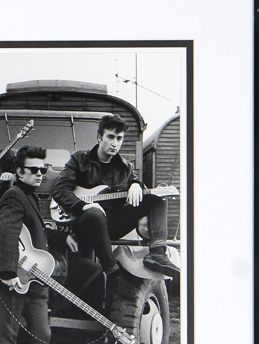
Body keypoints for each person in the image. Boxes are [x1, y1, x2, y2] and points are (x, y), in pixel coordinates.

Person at [52, 114, 180, 280]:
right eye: (110, 137)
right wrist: (83, 206)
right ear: (100, 137)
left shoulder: (125, 168)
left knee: (156, 198)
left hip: (112, 225)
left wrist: (136, 185)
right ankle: (111, 269)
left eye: (119, 138)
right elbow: (60, 189)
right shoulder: (79, 159)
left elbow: (134, 180)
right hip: (83, 224)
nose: (115, 143)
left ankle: (157, 254)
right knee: (94, 213)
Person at [0, 145, 65, 344]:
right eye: (33, 170)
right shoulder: (14, 195)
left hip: (36, 279)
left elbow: (32, 236)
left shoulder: (31, 197)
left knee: (43, 334)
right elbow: (6, 230)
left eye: (42, 169)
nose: (40, 173)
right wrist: (9, 273)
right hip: (16, 279)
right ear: (19, 172)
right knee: (7, 339)